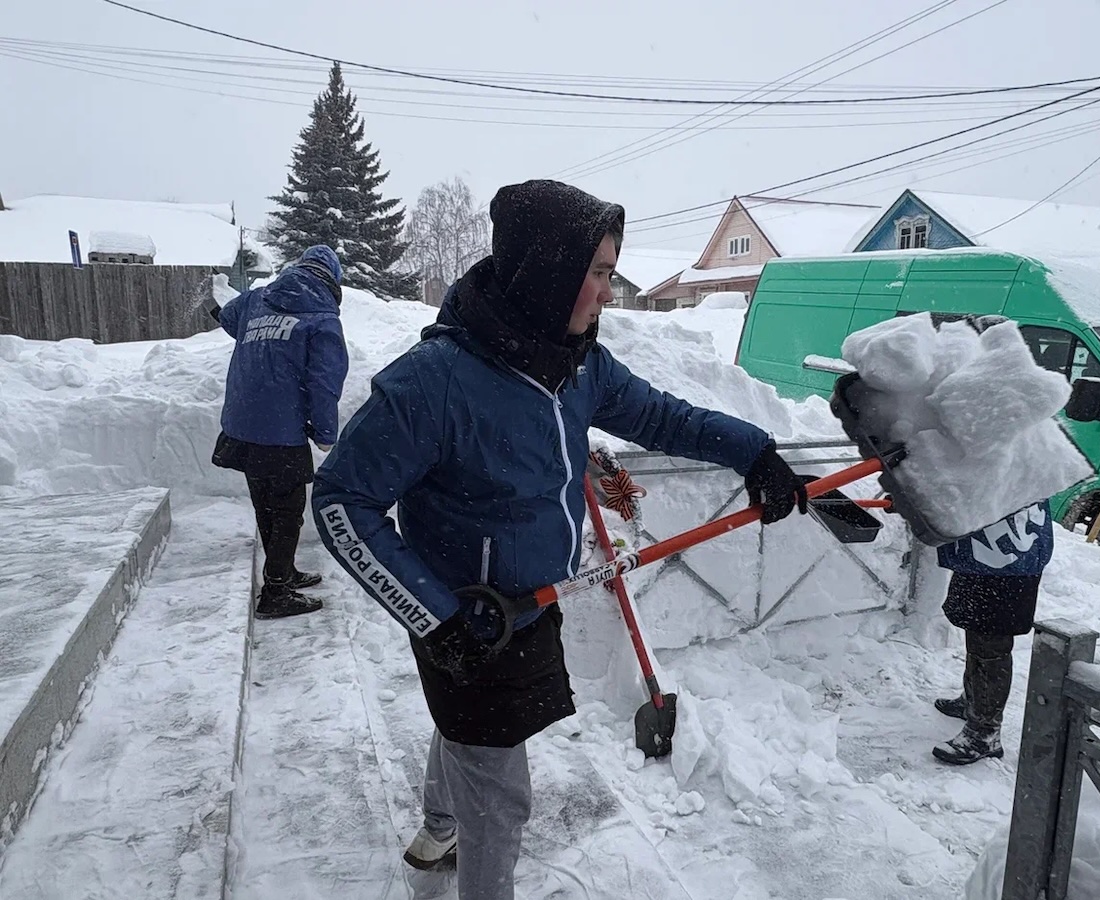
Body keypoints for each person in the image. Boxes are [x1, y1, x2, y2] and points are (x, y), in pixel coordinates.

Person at [311, 179, 807, 900]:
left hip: (531, 607)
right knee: (502, 797)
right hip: (468, 617)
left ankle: (437, 825)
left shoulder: (576, 365)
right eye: (599, 273)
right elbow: (339, 504)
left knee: (470, 738)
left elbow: (664, 419)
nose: (609, 292)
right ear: (548, 274)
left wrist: (754, 450)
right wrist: (434, 616)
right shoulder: (434, 383)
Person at [210, 244, 349, 620]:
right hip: (281, 431)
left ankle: (282, 572)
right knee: (288, 511)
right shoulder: (322, 319)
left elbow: (226, 316)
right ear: (333, 281)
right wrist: (324, 431)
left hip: (242, 425)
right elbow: (324, 383)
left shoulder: (257, 299)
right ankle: (275, 592)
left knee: (265, 504)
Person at [932, 499, 1054, 765]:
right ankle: (973, 701)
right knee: (976, 629)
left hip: (1008, 554)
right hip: (986, 547)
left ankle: (985, 732)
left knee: (991, 642)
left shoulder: (1017, 462)